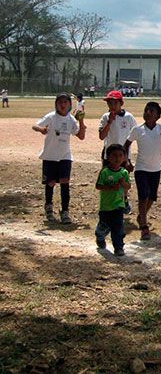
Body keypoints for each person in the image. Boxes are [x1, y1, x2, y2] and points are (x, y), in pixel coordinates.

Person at [32, 93, 86, 224]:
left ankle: (65, 211)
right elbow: (35, 125)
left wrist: (81, 120)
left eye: (65, 102)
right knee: (50, 182)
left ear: (69, 104)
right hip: (50, 155)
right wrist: (41, 129)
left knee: (64, 181)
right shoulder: (51, 117)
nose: (63, 105)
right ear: (56, 104)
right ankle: (49, 207)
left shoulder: (71, 119)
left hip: (65, 156)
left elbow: (81, 136)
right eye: (60, 102)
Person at [124, 102, 161, 240]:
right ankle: (144, 227)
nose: (148, 113)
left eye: (152, 111)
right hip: (141, 168)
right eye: (146, 110)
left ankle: (141, 216)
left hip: (156, 168)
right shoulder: (137, 129)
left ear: (158, 116)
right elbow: (126, 144)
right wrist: (127, 161)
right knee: (143, 195)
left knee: (152, 197)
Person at [98, 90, 137, 213]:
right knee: (108, 179)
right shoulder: (105, 117)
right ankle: (108, 203)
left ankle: (123, 200)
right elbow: (102, 136)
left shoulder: (129, 117)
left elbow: (134, 134)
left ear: (121, 103)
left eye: (115, 103)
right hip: (108, 155)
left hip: (123, 155)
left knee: (123, 180)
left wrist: (129, 158)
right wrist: (110, 121)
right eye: (109, 103)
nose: (112, 106)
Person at [95, 144, 131, 256]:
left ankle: (118, 247)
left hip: (118, 204)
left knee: (118, 227)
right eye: (114, 155)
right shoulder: (105, 172)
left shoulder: (124, 172)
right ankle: (100, 236)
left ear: (124, 157)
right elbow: (98, 186)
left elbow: (128, 187)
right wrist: (111, 188)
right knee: (104, 225)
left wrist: (124, 184)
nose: (117, 158)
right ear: (108, 157)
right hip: (106, 206)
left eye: (120, 155)